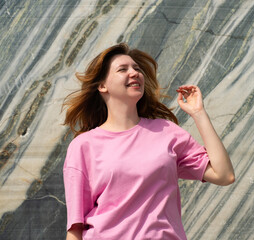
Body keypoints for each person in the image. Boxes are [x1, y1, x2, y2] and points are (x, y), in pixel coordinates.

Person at [62, 43, 235, 240]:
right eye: (123, 69)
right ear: (102, 86)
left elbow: (224, 175)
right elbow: (75, 226)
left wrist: (199, 113)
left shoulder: (166, 132)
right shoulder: (84, 146)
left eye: (137, 68)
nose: (134, 73)